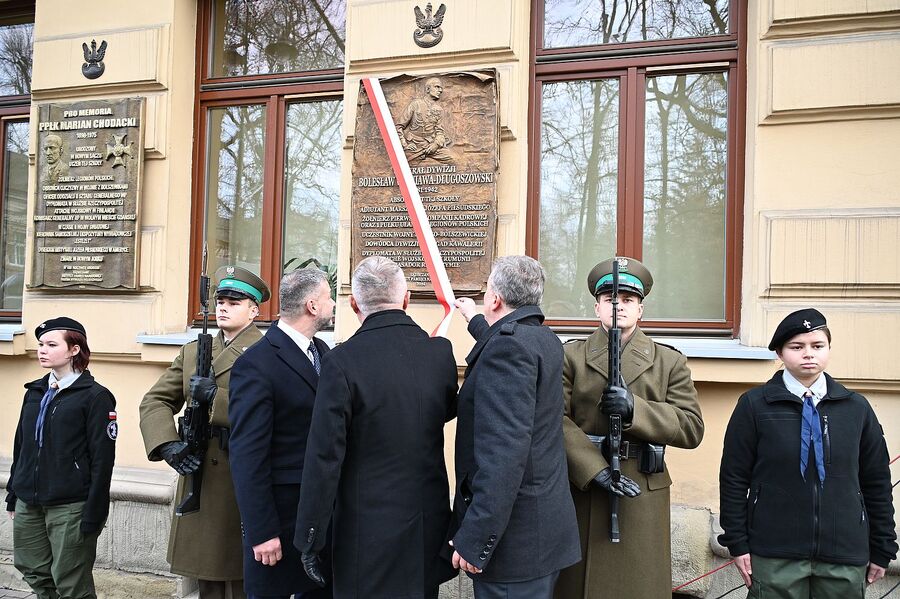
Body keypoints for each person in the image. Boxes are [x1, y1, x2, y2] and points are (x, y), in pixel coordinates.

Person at [295, 256, 458, 599]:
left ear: (354, 304)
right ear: (406, 299)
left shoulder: (341, 361)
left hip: (365, 531)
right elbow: (441, 411)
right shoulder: (439, 353)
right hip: (425, 528)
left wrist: (310, 537)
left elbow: (325, 457)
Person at [718, 308, 897, 598]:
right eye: (797, 347)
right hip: (774, 553)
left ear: (828, 348)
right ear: (780, 352)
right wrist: (737, 542)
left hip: (844, 554)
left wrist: (883, 545)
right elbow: (734, 478)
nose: (808, 354)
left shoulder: (855, 409)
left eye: (817, 346)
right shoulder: (755, 406)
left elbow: (876, 481)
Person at [554, 256, 705, 599]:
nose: (618, 306)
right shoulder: (570, 357)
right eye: (610, 299)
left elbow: (691, 428)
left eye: (627, 300)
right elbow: (554, 420)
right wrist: (595, 470)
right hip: (587, 485)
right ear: (596, 308)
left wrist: (637, 409)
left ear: (640, 310)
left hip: (642, 488)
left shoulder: (669, 361)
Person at [449, 255, 580, 599]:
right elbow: (504, 339)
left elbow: (503, 456)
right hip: (542, 534)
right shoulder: (540, 338)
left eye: (486, 291)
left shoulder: (508, 348)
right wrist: (473, 318)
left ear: (495, 299)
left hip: (514, 545)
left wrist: (477, 537)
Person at [139, 266, 270, 599]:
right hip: (199, 472)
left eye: (235, 301)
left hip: (240, 473)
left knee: (244, 575)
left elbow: (273, 408)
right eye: (221, 300)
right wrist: (167, 445)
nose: (223, 307)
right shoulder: (194, 351)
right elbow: (155, 400)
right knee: (206, 575)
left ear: (254, 310)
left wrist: (217, 397)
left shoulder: (267, 353)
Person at [228, 267, 335, 599]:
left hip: (320, 520)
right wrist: (261, 531)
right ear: (313, 306)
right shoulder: (257, 364)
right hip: (279, 523)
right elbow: (247, 456)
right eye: (329, 298)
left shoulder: (324, 353)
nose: (333, 306)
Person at [6, 317, 116, 599]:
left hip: (70, 504)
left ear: (74, 350)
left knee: (71, 581)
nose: (42, 349)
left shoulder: (95, 397)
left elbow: (103, 459)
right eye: (41, 344)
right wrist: (12, 493)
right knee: (31, 567)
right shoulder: (35, 391)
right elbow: (22, 445)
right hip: (29, 499)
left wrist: (95, 509)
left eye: (51, 344)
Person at [395, 77, 452, 163]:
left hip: (430, 146)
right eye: (437, 87)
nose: (440, 90)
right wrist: (405, 144)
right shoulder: (415, 104)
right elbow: (398, 126)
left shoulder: (439, 109)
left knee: (451, 158)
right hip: (414, 145)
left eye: (441, 88)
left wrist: (435, 145)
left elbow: (440, 132)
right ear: (428, 89)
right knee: (401, 162)